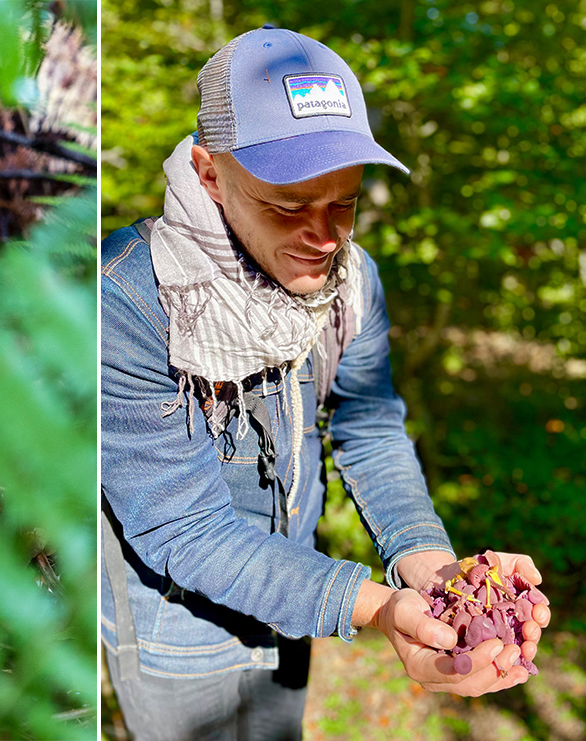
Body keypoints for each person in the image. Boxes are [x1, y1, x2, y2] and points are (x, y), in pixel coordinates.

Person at [100, 26, 551, 740]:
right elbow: (182, 527)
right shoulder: (130, 299)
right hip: (176, 634)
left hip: (296, 608)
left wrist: (431, 576)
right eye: (288, 205)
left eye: (343, 202)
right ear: (209, 173)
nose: (325, 236)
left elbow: (368, 427)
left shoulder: (351, 281)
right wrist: (372, 606)